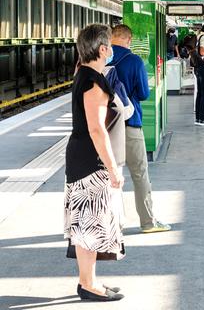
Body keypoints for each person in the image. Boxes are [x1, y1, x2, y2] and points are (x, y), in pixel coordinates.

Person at [64, 24, 125, 301]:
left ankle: (88, 281)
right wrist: (113, 169)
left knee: (84, 224)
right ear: (103, 49)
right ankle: (89, 286)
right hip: (90, 161)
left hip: (80, 157)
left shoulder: (83, 74)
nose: (111, 50)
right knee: (89, 224)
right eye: (110, 46)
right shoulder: (93, 82)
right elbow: (97, 129)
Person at [109, 24, 171, 233]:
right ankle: (148, 222)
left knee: (110, 176)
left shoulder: (101, 58)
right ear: (129, 39)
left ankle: (113, 224)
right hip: (129, 124)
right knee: (139, 174)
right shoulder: (134, 60)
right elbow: (144, 93)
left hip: (106, 126)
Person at [103, 64, 135, 230]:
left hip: (86, 152)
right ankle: (115, 224)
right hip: (112, 146)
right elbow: (129, 111)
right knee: (113, 187)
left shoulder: (81, 75)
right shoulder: (111, 77)